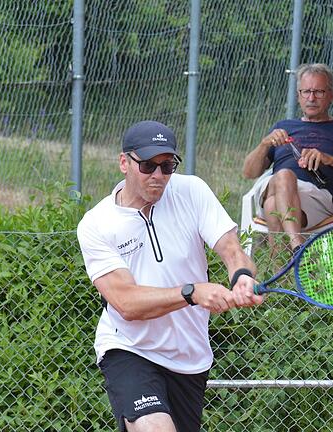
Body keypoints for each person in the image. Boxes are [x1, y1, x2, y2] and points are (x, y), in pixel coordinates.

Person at [77, 120, 265, 432]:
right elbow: (126, 302)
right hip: (129, 347)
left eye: (167, 166)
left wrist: (242, 276)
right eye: (148, 165)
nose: (158, 176)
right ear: (124, 163)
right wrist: (192, 292)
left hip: (190, 356)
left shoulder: (191, 191)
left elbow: (231, 249)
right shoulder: (97, 224)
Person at [242, 63, 333, 252]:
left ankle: (282, 275)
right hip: (277, 186)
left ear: (331, 95)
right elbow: (248, 172)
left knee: (272, 205)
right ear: (298, 96)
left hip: (318, 199)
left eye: (318, 92)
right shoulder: (283, 126)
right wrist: (264, 144)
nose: (311, 98)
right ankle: (297, 248)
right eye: (306, 92)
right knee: (283, 176)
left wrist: (331, 160)